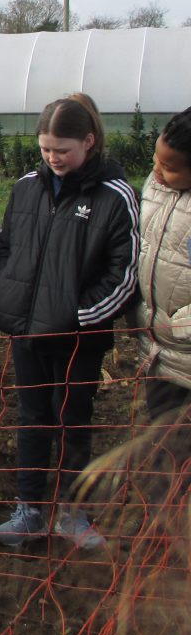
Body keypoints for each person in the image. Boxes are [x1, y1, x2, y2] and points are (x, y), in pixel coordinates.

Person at [0, 93, 139, 550]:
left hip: (78, 338)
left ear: (89, 142)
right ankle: (29, 510)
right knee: (33, 418)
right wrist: (4, 293)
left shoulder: (115, 196)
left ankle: (74, 513)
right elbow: (7, 246)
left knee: (73, 420)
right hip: (27, 332)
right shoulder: (27, 187)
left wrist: (77, 316)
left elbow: (124, 272)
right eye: (45, 149)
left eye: (62, 150)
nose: (52, 158)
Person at [136, 107, 191, 420]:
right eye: (155, 159)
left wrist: (178, 325)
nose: (157, 170)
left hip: (183, 349)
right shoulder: (157, 187)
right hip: (159, 354)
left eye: (168, 166)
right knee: (164, 451)